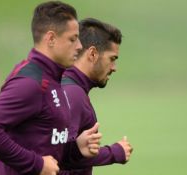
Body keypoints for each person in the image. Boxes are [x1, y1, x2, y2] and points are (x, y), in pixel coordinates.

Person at [0, 2, 101, 175]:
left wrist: (75, 148)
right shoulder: (30, 83)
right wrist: (36, 164)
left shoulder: (54, 78)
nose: (79, 46)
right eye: (72, 39)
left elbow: (43, 142)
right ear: (51, 39)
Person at [60, 18, 133, 175]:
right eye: (112, 59)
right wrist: (114, 153)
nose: (114, 68)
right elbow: (58, 154)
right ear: (92, 54)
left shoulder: (68, 85)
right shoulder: (73, 93)